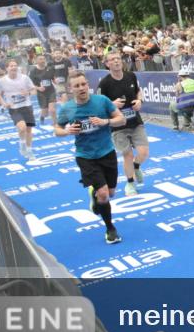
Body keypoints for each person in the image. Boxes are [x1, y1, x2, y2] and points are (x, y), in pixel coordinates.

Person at [55, 72, 126, 245]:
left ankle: (94, 195)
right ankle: (110, 229)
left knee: (110, 193)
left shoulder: (102, 101)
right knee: (103, 194)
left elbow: (121, 119)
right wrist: (67, 131)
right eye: (77, 86)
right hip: (85, 156)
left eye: (83, 84)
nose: (81, 88)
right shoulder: (67, 109)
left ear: (88, 85)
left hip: (107, 152)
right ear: (71, 89)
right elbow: (57, 129)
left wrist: (105, 122)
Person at [97, 52, 149, 197]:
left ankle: (136, 166)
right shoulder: (104, 83)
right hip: (117, 125)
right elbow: (99, 105)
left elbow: (139, 92)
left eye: (118, 58)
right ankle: (130, 183)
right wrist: (111, 104)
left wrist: (140, 101)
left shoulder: (130, 75)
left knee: (144, 152)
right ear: (107, 64)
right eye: (112, 59)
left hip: (135, 121)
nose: (116, 61)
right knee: (127, 155)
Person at [0, 60, 37, 159]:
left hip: (27, 106)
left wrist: (28, 93)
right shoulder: (2, 81)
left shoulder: (24, 78)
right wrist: (4, 103)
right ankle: (22, 145)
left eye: (15, 65)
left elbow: (33, 90)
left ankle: (29, 150)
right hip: (14, 108)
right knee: (22, 128)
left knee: (29, 130)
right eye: (11, 66)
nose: (14, 67)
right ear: (7, 68)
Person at [28, 54, 57, 125]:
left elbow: (53, 78)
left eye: (43, 59)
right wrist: (38, 88)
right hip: (41, 94)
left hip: (51, 91)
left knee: (52, 110)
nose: (42, 61)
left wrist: (56, 81)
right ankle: (42, 116)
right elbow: (30, 84)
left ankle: (55, 124)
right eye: (40, 59)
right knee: (45, 112)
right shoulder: (33, 71)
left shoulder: (49, 68)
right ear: (36, 61)